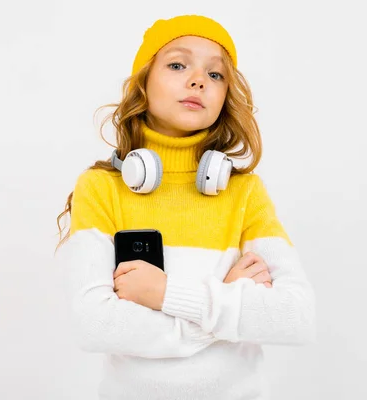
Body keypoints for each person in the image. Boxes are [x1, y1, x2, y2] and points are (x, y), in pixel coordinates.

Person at [53, 14, 317, 400]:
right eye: (178, 64)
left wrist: (164, 295)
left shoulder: (245, 193)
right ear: (143, 82)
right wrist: (224, 300)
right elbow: (94, 325)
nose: (197, 80)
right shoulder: (100, 189)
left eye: (215, 75)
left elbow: (296, 317)